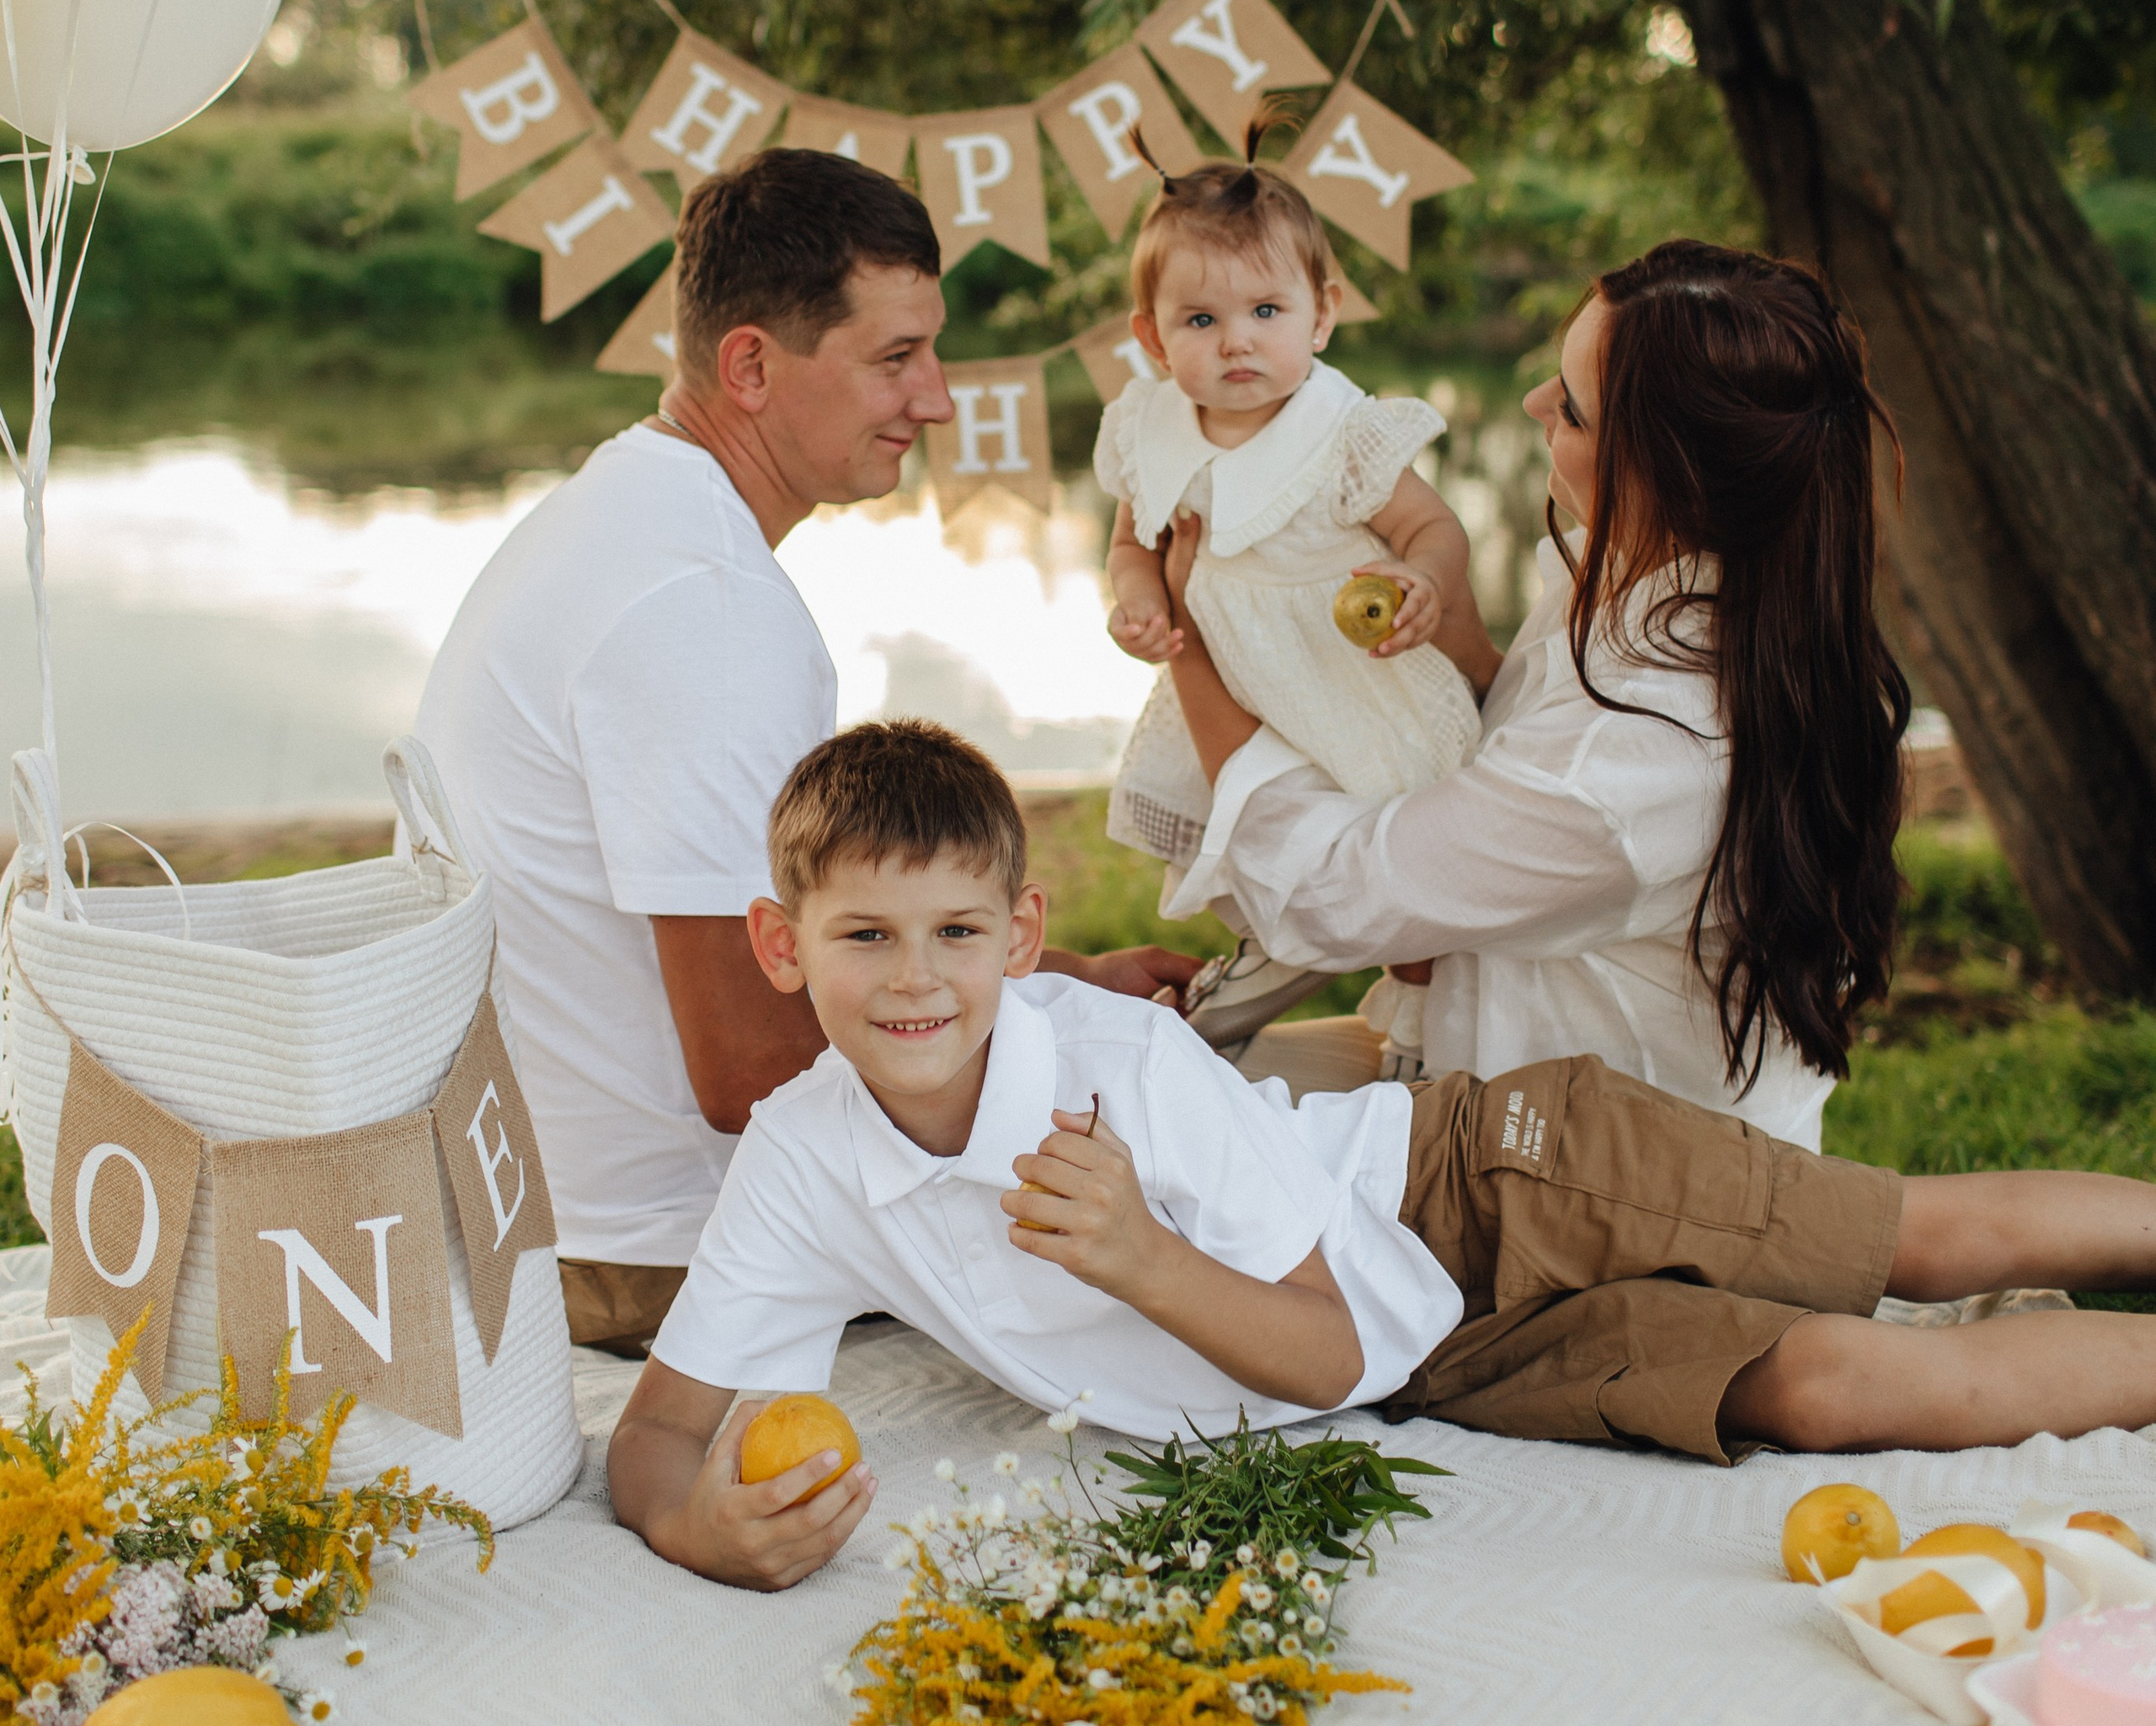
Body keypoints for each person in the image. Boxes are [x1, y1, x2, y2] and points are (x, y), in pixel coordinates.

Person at [607, 720, 2156, 1592]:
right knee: (1824, 1390)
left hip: (1477, 1184)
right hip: (1433, 1360)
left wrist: (1143, 1257)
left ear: (1022, 939)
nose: (914, 981)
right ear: (780, 946)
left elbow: (1326, 1326)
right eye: (862, 937)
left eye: (955, 932)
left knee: (1909, 1247)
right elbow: (659, 1442)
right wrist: (705, 1527)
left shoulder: (1122, 1071)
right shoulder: (805, 1160)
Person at [418, 151, 1195, 1361]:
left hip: (549, 1204)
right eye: (894, 359)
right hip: (658, 1248)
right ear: (750, 366)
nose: (935, 401)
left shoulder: (621, 510)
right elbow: (753, 1065)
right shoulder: (708, 609)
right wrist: (1061, 1026)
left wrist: (1068, 980)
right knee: (1222, 1192)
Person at [1158, 241, 1908, 1150]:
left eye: (1573, 408)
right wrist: (1459, 640)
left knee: (1135, 1126)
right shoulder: (1661, 587)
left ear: (1666, 467)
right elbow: (1500, 769)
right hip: (1486, 1081)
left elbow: (1327, 898)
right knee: (1124, 1072)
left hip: (1585, 1177)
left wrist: (1188, 635)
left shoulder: (1644, 749)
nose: (1534, 404)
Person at [1094, 144, 1486, 1048]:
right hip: (1239, 682)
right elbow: (1131, 543)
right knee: (1251, 844)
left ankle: (1427, 1028)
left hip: (1351, 685)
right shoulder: (1146, 430)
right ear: (1151, 336)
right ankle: (1274, 947)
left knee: (1404, 874)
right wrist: (1136, 603)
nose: (1236, 340)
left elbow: (1434, 529)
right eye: (1199, 319)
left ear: (1322, 314)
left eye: (1265, 310)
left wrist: (1422, 579)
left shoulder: (1339, 432)